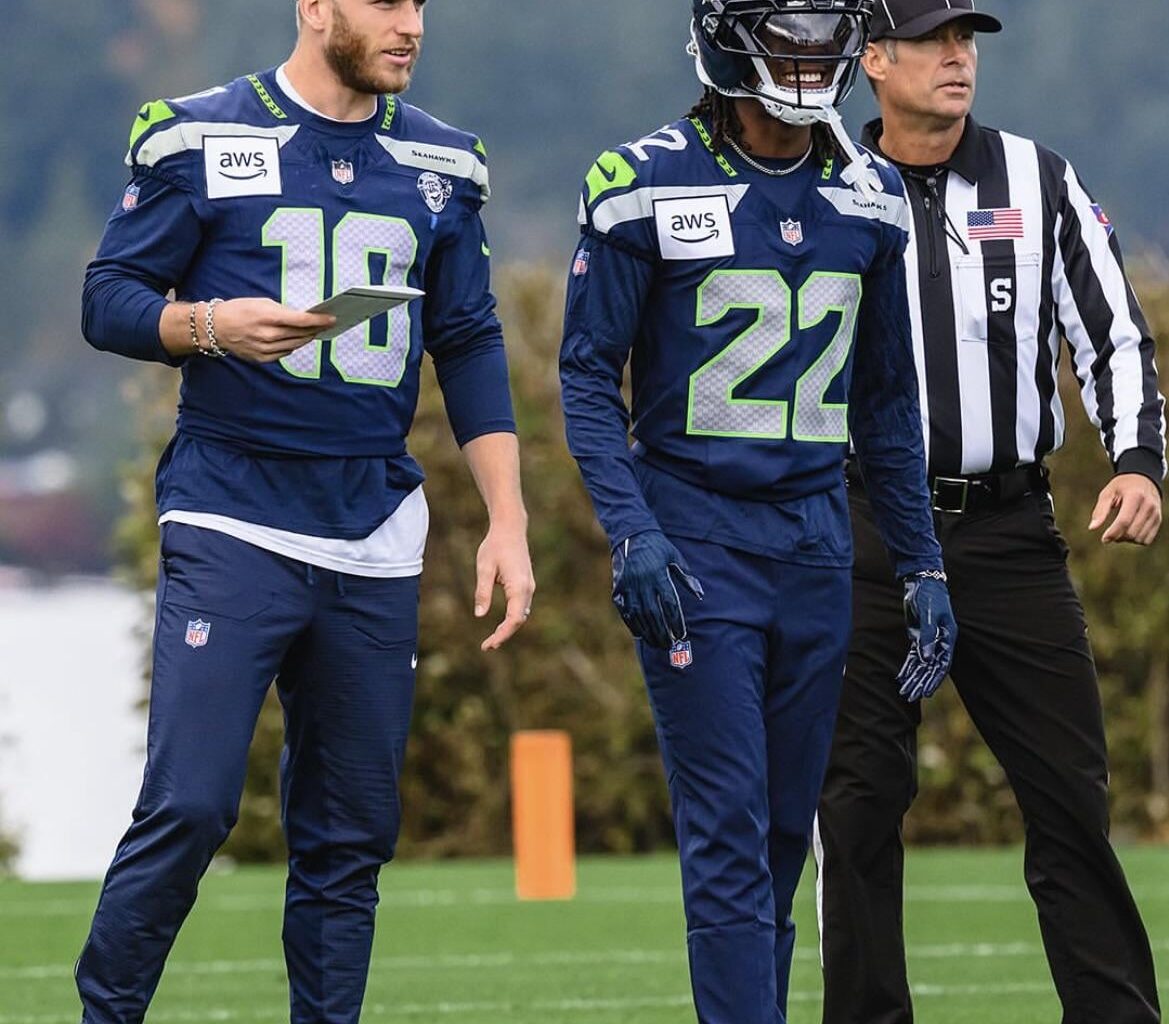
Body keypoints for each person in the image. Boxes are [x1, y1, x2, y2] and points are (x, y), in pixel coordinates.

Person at [76, 1, 535, 1021]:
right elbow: (107, 297)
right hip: (232, 508)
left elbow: (464, 339)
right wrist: (204, 323)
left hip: (371, 527)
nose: (409, 23)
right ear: (314, 6)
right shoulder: (200, 133)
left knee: (349, 833)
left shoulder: (444, 164)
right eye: (382, 0)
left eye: (419, 2)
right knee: (191, 806)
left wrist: (505, 519)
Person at [560, 2, 958, 1020]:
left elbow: (883, 403)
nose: (809, 53)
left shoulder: (867, 194)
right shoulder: (642, 179)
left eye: (825, 31)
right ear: (727, 36)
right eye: (785, 31)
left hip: (815, 540)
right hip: (697, 538)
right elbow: (584, 376)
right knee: (729, 827)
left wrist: (920, 563)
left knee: (785, 831)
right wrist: (633, 528)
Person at [814, 2, 1166, 1022]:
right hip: (864, 530)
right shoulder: (820, 180)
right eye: (929, 39)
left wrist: (1137, 460)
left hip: (1006, 529)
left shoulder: (1036, 177)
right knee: (858, 806)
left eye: (964, 37)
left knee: (1069, 799)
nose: (955, 56)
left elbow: (1112, 337)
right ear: (871, 59)